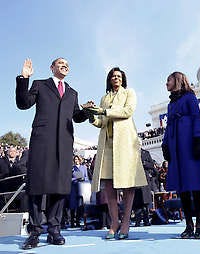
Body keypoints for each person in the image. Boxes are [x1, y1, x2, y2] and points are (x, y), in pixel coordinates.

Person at [15, 58, 87, 250]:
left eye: (67, 64)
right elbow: (23, 103)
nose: (65, 65)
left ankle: (54, 229)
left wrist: (87, 111)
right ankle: (35, 231)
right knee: (37, 185)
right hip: (42, 140)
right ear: (52, 67)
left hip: (64, 143)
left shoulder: (72, 93)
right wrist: (24, 78)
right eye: (61, 63)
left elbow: (77, 116)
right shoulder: (40, 85)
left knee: (60, 186)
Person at [83, 67, 147, 240]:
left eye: (119, 76)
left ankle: (126, 221)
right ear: (109, 79)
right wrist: (91, 115)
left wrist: (103, 111)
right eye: (113, 76)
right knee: (109, 186)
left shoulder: (129, 93)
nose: (116, 78)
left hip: (125, 143)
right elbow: (101, 122)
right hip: (108, 144)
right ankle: (114, 222)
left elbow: (127, 112)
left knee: (127, 184)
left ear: (123, 79)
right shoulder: (104, 98)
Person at [161, 71, 200, 239]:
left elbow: (197, 117)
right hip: (175, 145)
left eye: (169, 80)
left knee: (195, 184)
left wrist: (197, 138)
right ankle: (188, 224)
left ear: (178, 80)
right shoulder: (170, 104)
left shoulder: (189, 97)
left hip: (189, 143)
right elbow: (168, 126)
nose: (166, 83)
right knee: (182, 186)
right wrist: (165, 144)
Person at [69, 155, 89, 228]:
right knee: (72, 205)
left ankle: (77, 221)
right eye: (75, 159)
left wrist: (83, 178)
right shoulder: (72, 168)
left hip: (81, 187)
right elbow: (69, 178)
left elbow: (86, 177)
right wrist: (76, 179)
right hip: (73, 188)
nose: (76, 160)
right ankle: (72, 222)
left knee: (79, 205)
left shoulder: (84, 167)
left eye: (77, 159)